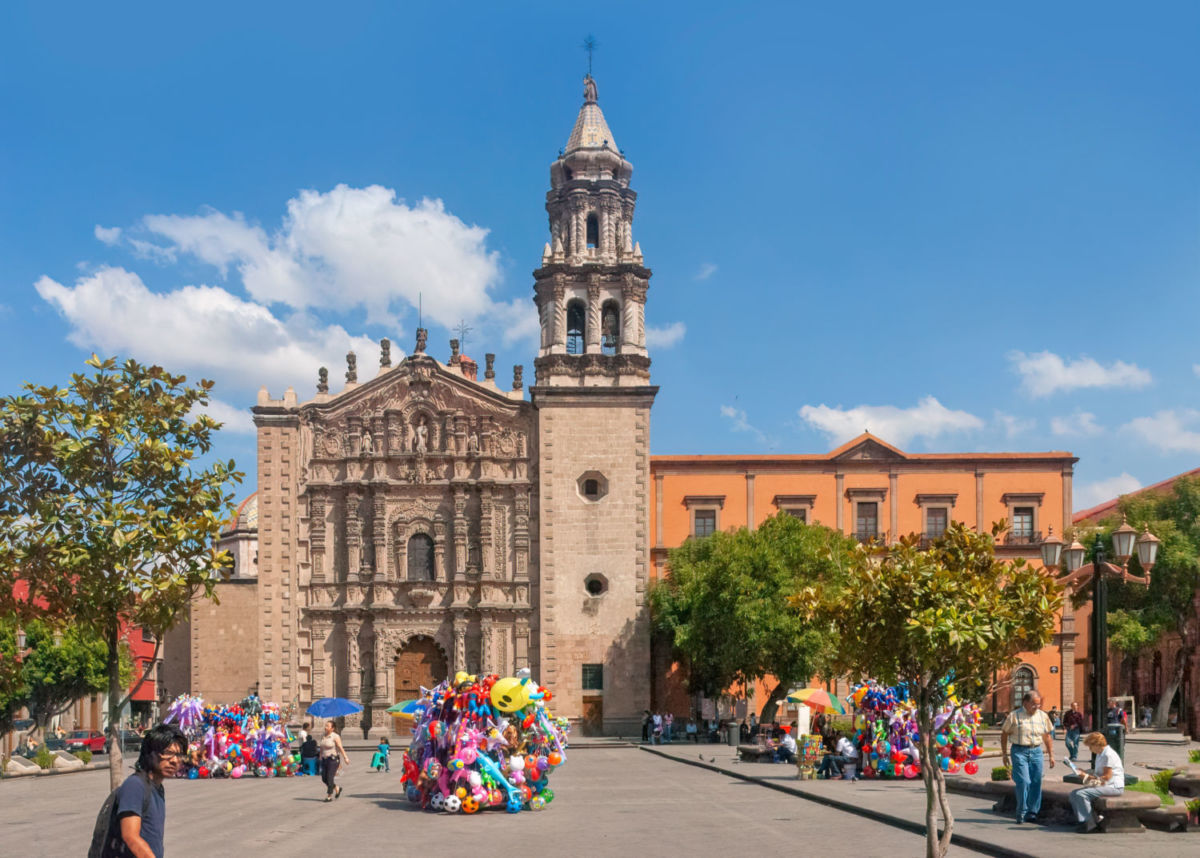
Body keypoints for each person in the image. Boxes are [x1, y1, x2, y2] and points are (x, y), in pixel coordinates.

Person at [113, 722, 187, 858]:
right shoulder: (135, 785)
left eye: (179, 755)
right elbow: (130, 836)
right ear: (150, 753)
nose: (175, 761)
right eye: (168, 753)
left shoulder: (157, 788)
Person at [1000, 690, 1056, 824]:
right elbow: (1004, 734)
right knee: (1024, 781)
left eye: (1038, 704)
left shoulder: (1043, 716)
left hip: (1036, 751)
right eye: (1034, 704)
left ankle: (1032, 812)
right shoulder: (1014, 716)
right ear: (1025, 703)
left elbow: (1047, 736)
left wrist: (1051, 755)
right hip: (1019, 751)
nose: (1036, 707)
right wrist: (1004, 753)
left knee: (1036, 781)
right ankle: (1022, 811)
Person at [1069, 732, 1124, 832]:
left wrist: (1085, 777)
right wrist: (1084, 773)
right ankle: (1089, 820)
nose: (1090, 749)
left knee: (1081, 794)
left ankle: (1089, 825)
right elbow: (1098, 776)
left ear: (1097, 744)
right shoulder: (1100, 754)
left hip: (1113, 787)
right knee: (1073, 794)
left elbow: (1107, 777)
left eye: (1090, 746)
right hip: (1105, 784)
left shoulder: (1108, 755)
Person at [317, 720, 350, 802]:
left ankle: (329, 796)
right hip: (324, 759)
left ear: (332, 728)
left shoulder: (335, 736)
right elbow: (321, 747)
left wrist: (345, 757)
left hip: (333, 759)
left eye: (328, 726)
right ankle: (336, 788)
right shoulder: (323, 735)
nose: (325, 727)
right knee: (324, 778)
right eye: (325, 725)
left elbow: (340, 747)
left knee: (329, 777)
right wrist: (320, 756)